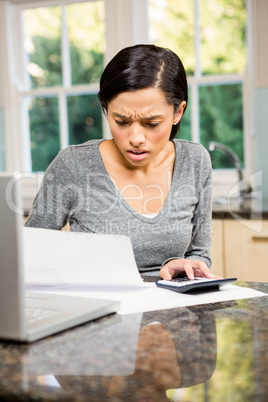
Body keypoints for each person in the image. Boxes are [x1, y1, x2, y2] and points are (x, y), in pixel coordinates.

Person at [25, 44, 219, 281]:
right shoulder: (73, 165)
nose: (136, 139)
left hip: (173, 310)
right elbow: (31, 254)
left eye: (152, 123)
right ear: (106, 109)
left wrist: (183, 266)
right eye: (121, 121)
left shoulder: (195, 161)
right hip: (99, 308)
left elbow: (199, 255)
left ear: (178, 112)